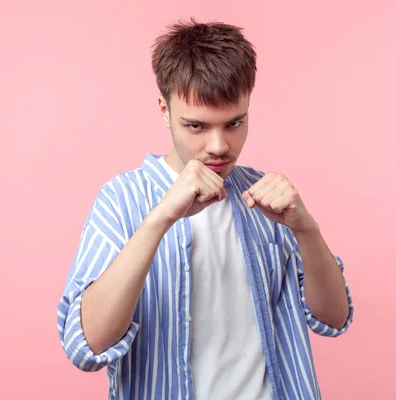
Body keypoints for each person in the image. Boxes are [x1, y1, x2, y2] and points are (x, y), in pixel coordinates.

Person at [57, 18, 354, 400]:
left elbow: (334, 318)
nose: (219, 145)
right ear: (164, 110)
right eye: (196, 126)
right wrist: (160, 218)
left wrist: (306, 230)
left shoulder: (268, 197)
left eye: (234, 123)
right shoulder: (123, 199)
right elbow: (88, 347)